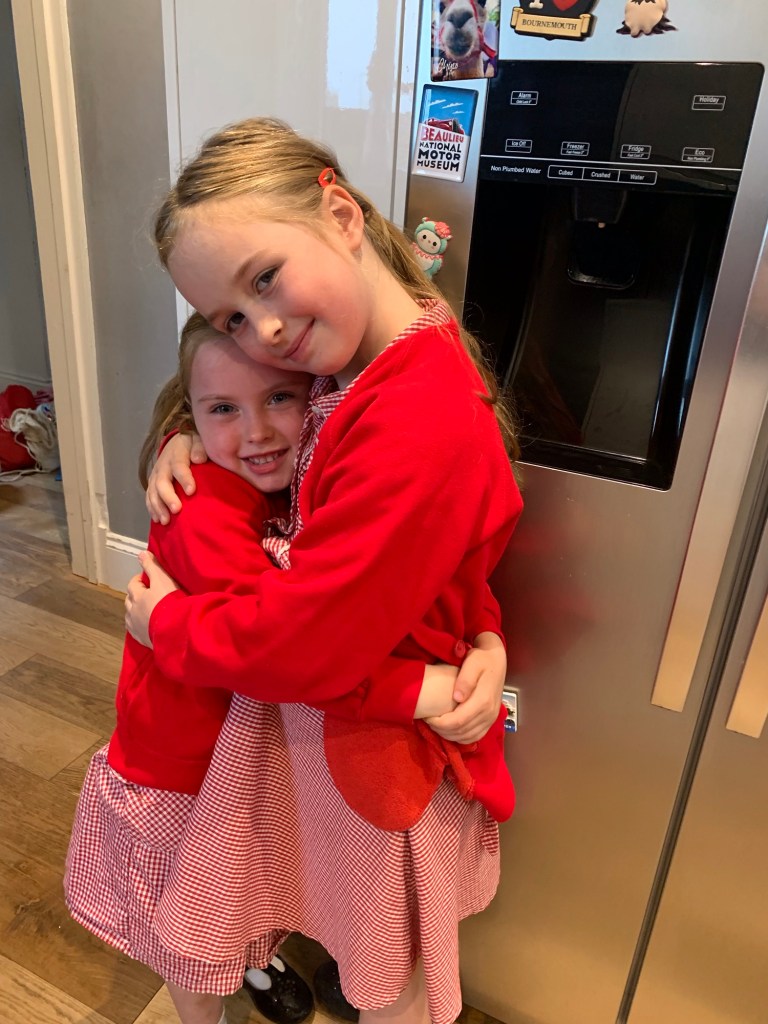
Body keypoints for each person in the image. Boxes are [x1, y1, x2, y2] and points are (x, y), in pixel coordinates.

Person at [125, 117, 524, 1024]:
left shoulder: (412, 415)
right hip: (355, 731)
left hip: (384, 747)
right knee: (368, 946)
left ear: (341, 214)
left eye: (265, 277)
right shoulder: (359, 358)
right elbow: (436, 548)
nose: (264, 328)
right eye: (232, 316)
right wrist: (184, 431)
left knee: (392, 973)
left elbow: (305, 644)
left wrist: (168, 624)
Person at [65, 314, 470, 1024]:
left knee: (244, 899)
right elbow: (283, 653)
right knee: (193, 944)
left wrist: (187, 431)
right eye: (223, 409)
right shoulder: (200, 509)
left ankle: (257, 958)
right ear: (190, 411)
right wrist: (414, 689)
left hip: (246, 753)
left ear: (316, 398)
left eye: (278, 398)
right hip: (184, 771)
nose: (256, 432)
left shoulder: (297, 479)